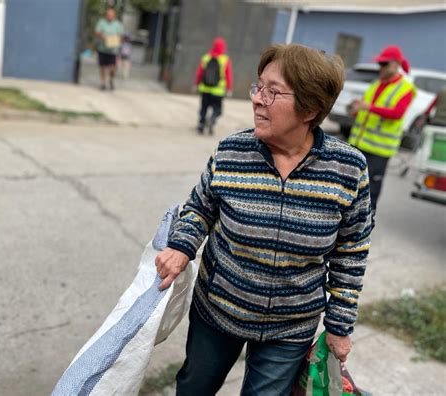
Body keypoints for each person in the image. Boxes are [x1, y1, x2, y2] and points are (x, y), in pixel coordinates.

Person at [155, 44, 372, 395]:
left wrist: (340, 324)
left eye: (272, 91)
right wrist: (182, 246)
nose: (257, 99)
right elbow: (199, 207)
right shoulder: (231, 152)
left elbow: (351, 252)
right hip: (218, 312)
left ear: (310, 108)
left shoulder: (348, 169)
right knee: (194, 388)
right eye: (259, 87)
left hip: (290, 329)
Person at [348, 45, 416, 213]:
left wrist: (368, 107)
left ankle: (366, 222)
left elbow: (397, 114)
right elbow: (365, 106)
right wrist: (356, 110)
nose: (380, 68)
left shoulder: (406, 89)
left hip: (379, 149)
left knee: (371, 190)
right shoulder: (376, 83)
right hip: (359, 143)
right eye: (380, 64)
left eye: (384, 64)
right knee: (350, 185)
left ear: (395, 65)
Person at [194, 37, 233, 135]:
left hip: (205, 89)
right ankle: (212, 119)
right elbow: (228, 75)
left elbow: (200, 72)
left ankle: (201, 125)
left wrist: (196, 83)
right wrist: (229, 88)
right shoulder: (225, 59)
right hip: (218, 91)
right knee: (217, 110)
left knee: (204, 108)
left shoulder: (206, 57)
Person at [94, 8, 124, 90]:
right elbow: (97, 32)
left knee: (113, 68)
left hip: (113, 50)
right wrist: (102, 36)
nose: (109, 16)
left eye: (111, 15)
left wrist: (116, 40)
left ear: (114, 16)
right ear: (106, 15)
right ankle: (103, 83)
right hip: (102, 49)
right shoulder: (101, 23)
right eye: (108, 15)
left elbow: (121, 36)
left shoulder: (118, 25)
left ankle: (111, 79)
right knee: (102, 67)